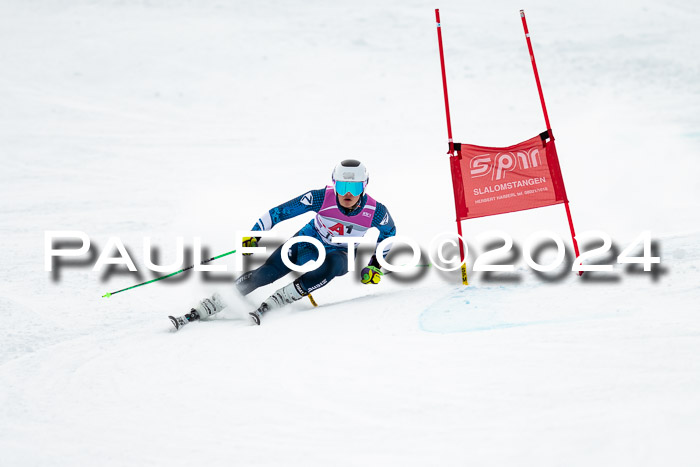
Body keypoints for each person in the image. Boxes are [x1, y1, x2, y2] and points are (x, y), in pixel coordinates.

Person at [170, 159, 396, 329]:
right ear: (334, 184)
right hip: (309, 240)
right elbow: (278, 212)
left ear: (364, 187)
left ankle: (280, 299)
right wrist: (256, 233)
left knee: (334, 265)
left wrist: (375, 265)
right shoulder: (320, 197)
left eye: (355, 188)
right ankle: (211, 304)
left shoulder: (375, 211)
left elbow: (389, 233)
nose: (347, 193)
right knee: (266, 273)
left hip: (341, 252)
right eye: (342, 186)